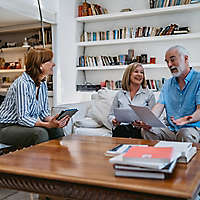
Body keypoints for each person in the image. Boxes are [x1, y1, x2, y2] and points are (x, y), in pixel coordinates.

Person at [0, 48, 70, 147]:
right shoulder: (22, 83)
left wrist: (55, 121)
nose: (53, 64)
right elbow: (23, 118)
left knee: (56, 129)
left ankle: (58, 160)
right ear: (40, 65)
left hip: (21, 125)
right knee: (40, 133)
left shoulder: (42, 83)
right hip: (6, 127)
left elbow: (44, 113)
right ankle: (42, 162)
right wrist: (47, 125)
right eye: (49, 61)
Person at [136, 45, 200, 143]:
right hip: (171, 130)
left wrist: (187, 119)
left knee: (185, 133)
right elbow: (159, 106)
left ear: (185, 58)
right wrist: (147, 120)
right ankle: (157, 158)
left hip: (192, 129)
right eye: (167, 62)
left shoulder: (198, 79)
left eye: (173, 60)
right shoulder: (167, 83)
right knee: (147, 131)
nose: (169, 65)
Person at [108, 62, 156, 138]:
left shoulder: (149, 94)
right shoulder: (119, 94)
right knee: (120, 131)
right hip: (121, 130)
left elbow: (153, 118)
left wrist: (143, 123)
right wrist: (113, 121)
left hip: (140, 131)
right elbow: (111, 115)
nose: (139, 74)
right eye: (136, 71)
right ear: (128, 74)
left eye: (142, 72)